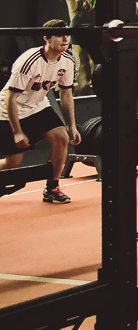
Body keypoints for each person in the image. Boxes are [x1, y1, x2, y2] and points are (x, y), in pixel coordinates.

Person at [2, 20, 81, 203]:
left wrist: (72, 126)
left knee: (61, 138)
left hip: (37, 106)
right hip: (9, 111)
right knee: (12, 163)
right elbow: (10, 98)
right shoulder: (29, 61)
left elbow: (66, 94)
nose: (65, 39)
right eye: (60, 35)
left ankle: (52, 188)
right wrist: (17, 132)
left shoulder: (67, 60)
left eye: (67, 35)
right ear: (46, 38)